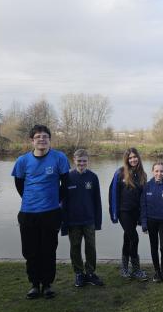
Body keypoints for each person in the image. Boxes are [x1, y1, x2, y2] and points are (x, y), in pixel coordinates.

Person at [11, 124, 70, 299]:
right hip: (28, 213)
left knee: (48, 250)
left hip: (51, 213)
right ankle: (34, 284)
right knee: (30, 251)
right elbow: (19, 185)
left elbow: (65, 184)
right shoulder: (22, 161)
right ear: (32, 141)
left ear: (50, 140)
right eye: (38, 137)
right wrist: (31, 199)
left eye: (45, 137)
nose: (42, 140)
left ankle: (47, 284)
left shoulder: (59, 158)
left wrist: (54, 200)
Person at [61, 149, 103, 288]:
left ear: (88, 161)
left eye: (84, 161)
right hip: (73, 221)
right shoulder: (67, 177)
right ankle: (79, 273)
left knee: (91, 247)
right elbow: (63, 202)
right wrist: (64, 224)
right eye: (79, 161)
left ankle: (90, 273)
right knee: (75, 248)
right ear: (74, 160)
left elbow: (97, 201)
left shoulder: (93, 177)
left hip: (89, 220)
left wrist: (98, 222)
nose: (82, 163)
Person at [109, 148, 148, 281]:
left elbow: (144, 197)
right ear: (126, 159)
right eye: (130, 158)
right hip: (123, 212)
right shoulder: (120, 173)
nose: (133, 160)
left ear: (138, 158)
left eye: (135, 157)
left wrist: (143, 216)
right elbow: (112, 194)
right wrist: (114, 214)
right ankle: (136, 270)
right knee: (134, 238)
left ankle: (125, 268)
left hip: (135, 212)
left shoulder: (142, 174)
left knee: (127, 239)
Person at [140, 162, 163, 284]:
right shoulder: (147, 186)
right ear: (152, 171)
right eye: (156, 171)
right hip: (151, 222)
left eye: (161, 171)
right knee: (154, 247)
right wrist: (144, 224)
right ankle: (157, 272)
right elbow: (143, 206)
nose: (159, 173)